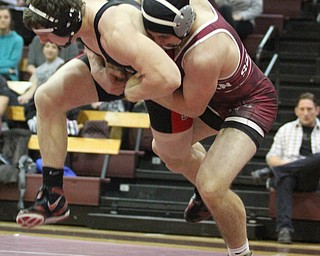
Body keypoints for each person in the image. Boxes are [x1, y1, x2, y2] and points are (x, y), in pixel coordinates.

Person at [15, 0, 181, 228]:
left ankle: (206, 188)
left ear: (65, 25)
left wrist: (128, 89)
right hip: (116, 61)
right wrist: (97, 68)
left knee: (176, 156)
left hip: (155, 77)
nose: (42, 41)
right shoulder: (78, 15)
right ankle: (52, 195)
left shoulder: (115, 28)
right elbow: (87, 35)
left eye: (45, 34)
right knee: (46, 98)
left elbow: (169, 78)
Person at [140, 0, 277, 255]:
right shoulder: (177, 9)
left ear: (183, 24)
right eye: (153, 35)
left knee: (213, 187)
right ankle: (203, 193)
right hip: (214, 96)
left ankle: (240, 252)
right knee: (166, 149)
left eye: (163, 37)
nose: (158, 43)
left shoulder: (204, 51)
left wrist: (145, 87)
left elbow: (192, 108)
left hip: (249, 102)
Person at [251, 92, 320, 244]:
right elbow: (272, 157)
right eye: (302, 109)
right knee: (286, 178)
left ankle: (272, 173)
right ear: (296, 111)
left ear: (317, 110)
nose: (305, 113)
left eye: (309, 109)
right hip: (291, 178)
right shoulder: (286, 129)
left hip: (314, 179)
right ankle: (284, 230)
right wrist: (289, 168)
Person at [0, 5, 24, 81]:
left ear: (10, 19)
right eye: (0, 17)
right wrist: (6, 70)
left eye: (6, 17)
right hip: (7, 72)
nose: (3, 20)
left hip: (9, 78)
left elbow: (12, 63)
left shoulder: (18, 40)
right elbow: (9, 67)